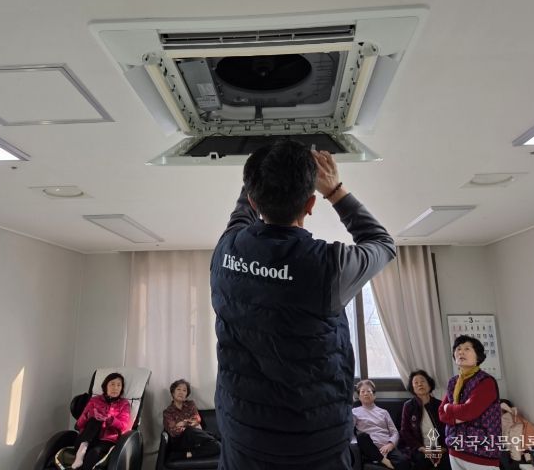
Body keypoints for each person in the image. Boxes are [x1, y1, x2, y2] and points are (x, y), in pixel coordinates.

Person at [210, 139, 396, 470]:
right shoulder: (330, 266)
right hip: (315, 444)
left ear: (253, 199)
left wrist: (263, 171)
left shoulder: (227, 251)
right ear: (311, 204)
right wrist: (335, 190)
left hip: (243, 437)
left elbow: (244, 208)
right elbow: (382, 244)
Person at [439, 336, 501, 470]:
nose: (461, 352)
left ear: (478, 357)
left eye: (467, 349)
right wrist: (457, 416)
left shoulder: (486, 381)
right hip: (455, 447)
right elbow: (441, 414)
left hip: (481, 453)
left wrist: (449, 408)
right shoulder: (453, 382)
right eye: (458, 349)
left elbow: (468, 412)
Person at [71, 372, 132, 470]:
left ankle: (82, 452)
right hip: (86, 437)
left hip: (107, 440)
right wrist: (89, 415)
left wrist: (110, 419)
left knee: (93, 453)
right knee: (94, 420)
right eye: (112, 384)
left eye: (119, 385)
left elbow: (124, 426)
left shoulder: (124, 404)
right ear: (105, 386)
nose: (115, 388)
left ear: (122, 388)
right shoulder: (95, 400)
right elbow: (79, 425)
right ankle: (82, 449)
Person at [353, 379, 410, 470]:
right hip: (370, 447)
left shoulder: (383, 412)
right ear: (359, 397)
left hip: (386, 447)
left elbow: (394, 432)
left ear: (374, 395)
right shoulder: (354, 412)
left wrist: (390, 445)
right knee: (361, 436)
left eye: (369, 391)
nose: (366, 394)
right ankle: (383, 460)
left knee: (404, 462)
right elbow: (348, 428)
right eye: (362, 392)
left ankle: (378, 460)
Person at [400, 370, 449, 470]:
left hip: (440, 447)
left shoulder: (439, 404)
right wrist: (422, 448)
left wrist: (443, 448)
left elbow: (449, 429)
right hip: (420, 447)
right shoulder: (409, 406)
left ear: (429, 385)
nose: (420, 384)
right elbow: (405, 431)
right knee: (422, 460)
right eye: (416, 383)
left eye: (422, 381)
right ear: (412, 388)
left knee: (447, 461)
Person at [162, 378, 220, 460]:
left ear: (186, 394)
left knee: (217, 446)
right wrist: (189, 425)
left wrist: (183, 423)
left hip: (195, 439)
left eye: (184, 390)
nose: (181, 392)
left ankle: (186, 454)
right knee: (190, 430)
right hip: (180, 442)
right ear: (173, 392)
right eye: (178, 389)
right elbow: (174, 432)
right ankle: (213, 437)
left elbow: (197, 419)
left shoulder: (190, 405)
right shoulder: (168, 412)